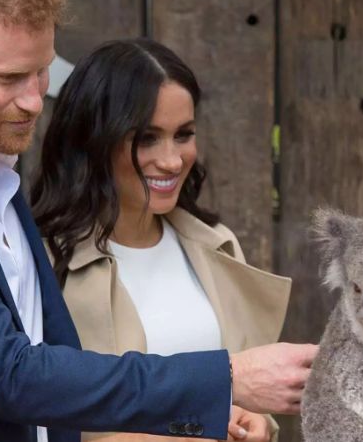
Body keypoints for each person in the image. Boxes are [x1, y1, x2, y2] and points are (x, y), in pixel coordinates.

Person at [0, 0, 317, 441]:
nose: (35, 100)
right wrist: (229, 378)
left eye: (42, 72)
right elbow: (10, 374)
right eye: (10, 78)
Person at [31, 39, 291, 442]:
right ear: (96, 138)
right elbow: (43, 418)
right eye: (147, 138)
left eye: (183, 135)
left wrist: (254, 423)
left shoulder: (217, 246)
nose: (171, 160)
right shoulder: (44, 261)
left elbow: (248, 394)